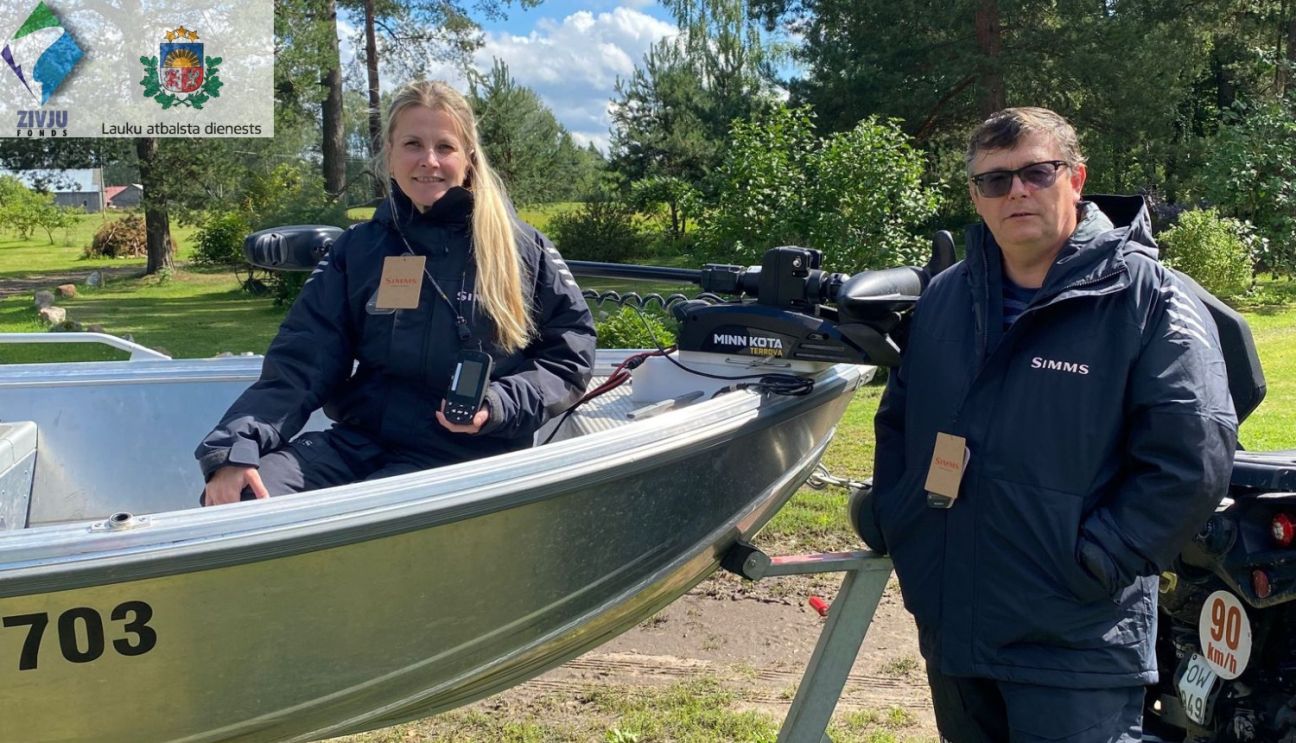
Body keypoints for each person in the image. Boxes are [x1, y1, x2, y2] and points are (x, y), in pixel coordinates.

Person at [867, 107, 1238, 741]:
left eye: (1037, 172)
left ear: (1076, 178)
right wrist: (905, 524)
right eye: (994, 180)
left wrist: (1096, 561)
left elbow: (1191, 457)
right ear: (975, 197)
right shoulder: (943, 299)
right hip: (955, 624)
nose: (1015, 191)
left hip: (1076, 639)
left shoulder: (1148, 297)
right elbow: (899, 423)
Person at [195, 80, 596, 506]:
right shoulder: (359, 249)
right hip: (360, 443)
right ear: (389, 155)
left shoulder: (522, 247)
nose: (429, 161)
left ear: (469, 158)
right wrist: (237, 446)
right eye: (412, 144)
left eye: (445, 147)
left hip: (466, 457)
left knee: (363, 513)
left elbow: (568, 355)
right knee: (240, 493)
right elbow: (301, 360)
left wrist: (499, 403)